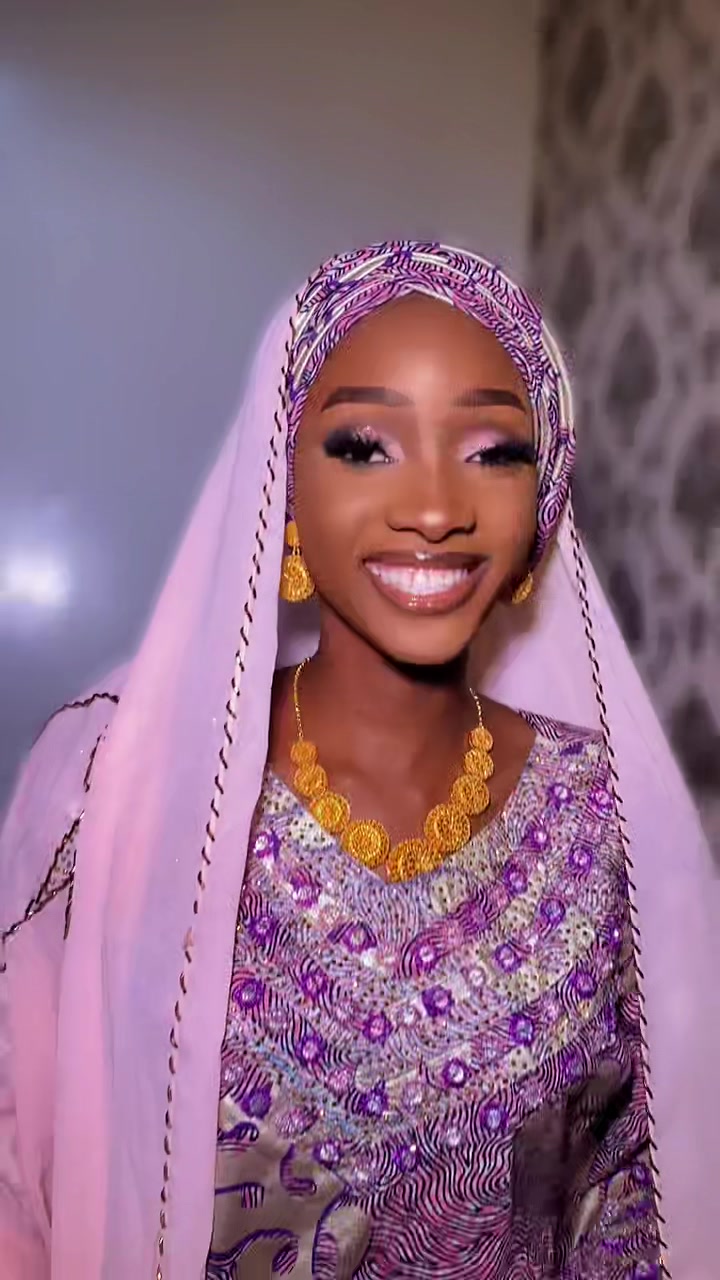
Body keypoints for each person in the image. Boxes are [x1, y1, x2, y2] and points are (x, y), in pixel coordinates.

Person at [0, 242, 717, 1280]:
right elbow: (23, 1163)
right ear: (282, 482)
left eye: (493, 451)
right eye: (366, 445)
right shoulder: (120, 784)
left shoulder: (608, 819)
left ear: (546, 497)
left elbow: (634, 1205)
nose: (434, 507)